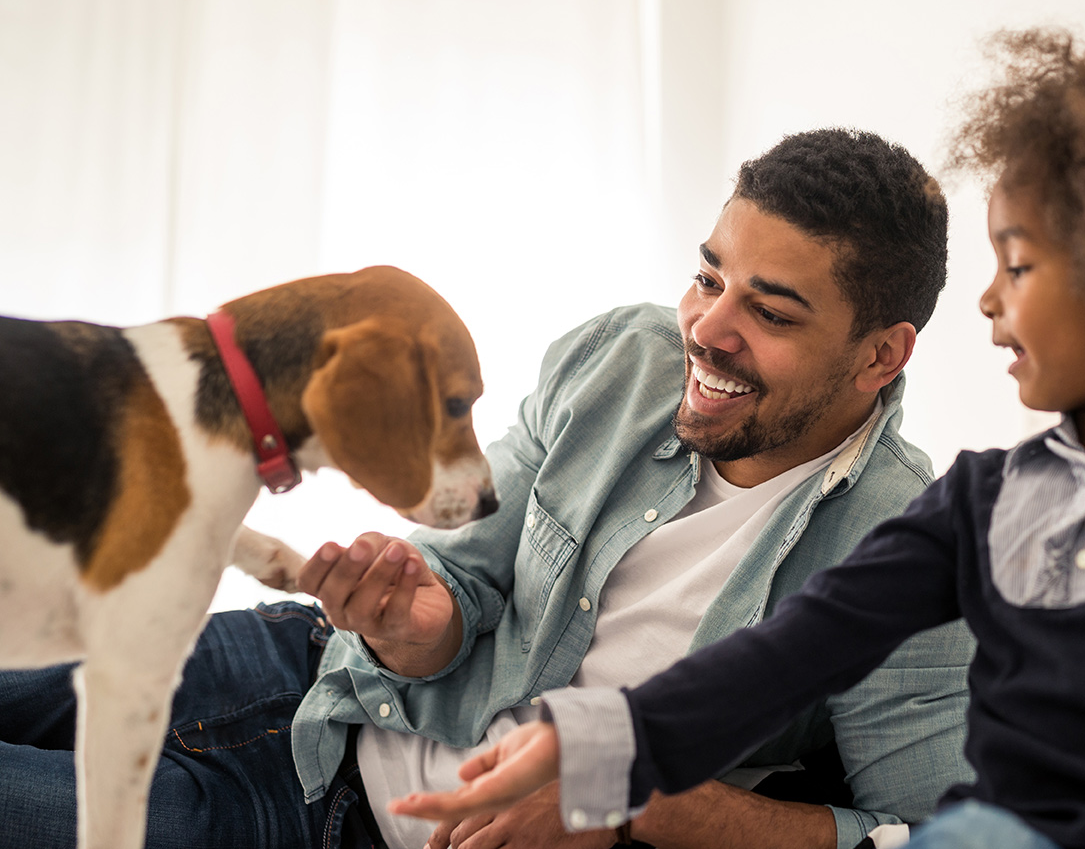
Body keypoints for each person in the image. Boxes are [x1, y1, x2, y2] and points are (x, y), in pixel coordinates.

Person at [389, 30, 1085, 849]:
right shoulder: (979, 500)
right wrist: (601, 744)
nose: (984, 302)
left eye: (1018, 267)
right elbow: (784, 656)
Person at [0, 128, 975, 849]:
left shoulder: (902, 550)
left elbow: (926, 831)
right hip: (308, 670)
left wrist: (631, 797)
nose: (706, 328)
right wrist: (422, 620)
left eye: (767, 310)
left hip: (325, 823)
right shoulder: (619, 359)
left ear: (879, 355)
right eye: (708, 277)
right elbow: (467, 580)